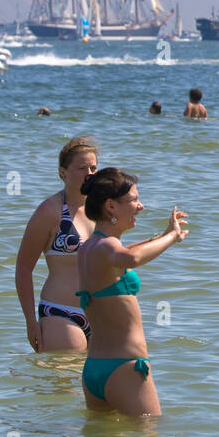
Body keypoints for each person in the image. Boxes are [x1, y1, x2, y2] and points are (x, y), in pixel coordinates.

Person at [76, 168, 188, 415]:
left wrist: (164, 234)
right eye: (134, 200)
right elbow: (131, 257)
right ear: (111, 207)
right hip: (124, 369)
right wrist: (172, 239)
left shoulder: (89, 247)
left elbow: (124, 252)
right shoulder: (108, 249)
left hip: (94, 369)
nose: (141, 206)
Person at [15, 137, 98, 352]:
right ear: (63, 172)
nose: (89, 173)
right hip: (61, 314)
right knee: (62, 384)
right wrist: (30, 321)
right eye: (82, 168)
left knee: (96, 385)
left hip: (100, 316)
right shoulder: (49, 211)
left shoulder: (102, 210)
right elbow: (24, 268)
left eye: (93, 167)